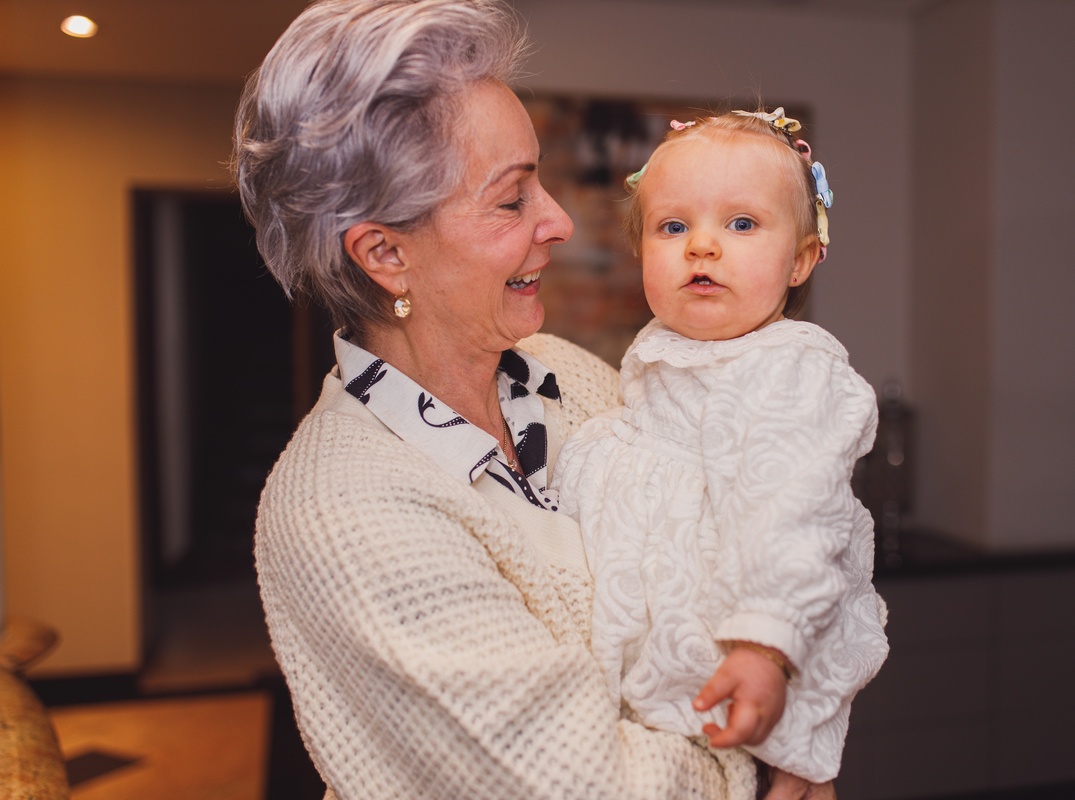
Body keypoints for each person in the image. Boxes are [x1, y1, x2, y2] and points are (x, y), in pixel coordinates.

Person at [232, 0, 797, 798]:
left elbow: (741, 566)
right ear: (386, 253)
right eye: (512, 199)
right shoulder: (338, 511)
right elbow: (581, 785)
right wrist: (769, 764)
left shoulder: (571, 377)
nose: (560, 222)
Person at [552, 109, 890, 793]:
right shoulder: (653, 360)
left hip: (752, 656)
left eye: (741, 224)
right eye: (673, 227)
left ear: (800, 259)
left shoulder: (793, 368)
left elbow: (794, 508)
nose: (702, 246)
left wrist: (766, 642)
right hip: (658, 690)